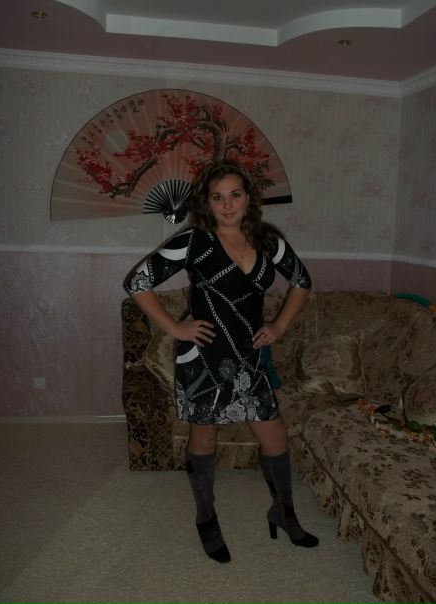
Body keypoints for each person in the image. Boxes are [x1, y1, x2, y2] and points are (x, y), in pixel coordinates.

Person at [123, 161, 318, 563]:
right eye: (217, 197)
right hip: (205, 357)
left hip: (251, 358)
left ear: (248, 198)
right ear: (206, 203)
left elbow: (302, 281)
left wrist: (279, 326)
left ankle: (283, 512)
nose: (227, 205)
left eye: (235, 195)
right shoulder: (195, 241)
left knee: (275, 438)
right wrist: (176, 329)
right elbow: (137, 283)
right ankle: (207, 519)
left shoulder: (268, 241)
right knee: (204, 439)